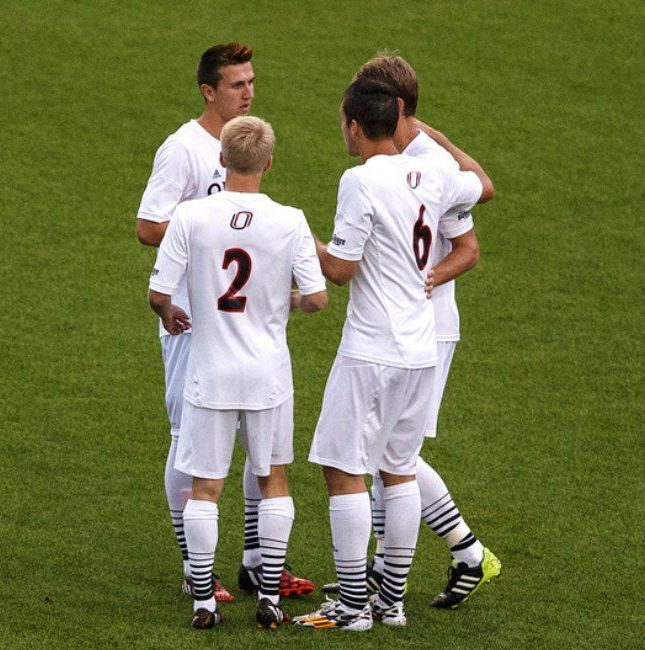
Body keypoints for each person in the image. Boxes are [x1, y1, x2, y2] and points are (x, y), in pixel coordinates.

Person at [293, 77, 492, 632]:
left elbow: (340, 269)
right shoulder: (433, 171)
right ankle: (392, 602)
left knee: (342, 468)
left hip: (373, 347)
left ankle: (353, 606)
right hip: (420, 348)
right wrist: (439, 136)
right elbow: (481, 183)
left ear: (354, 126)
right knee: (398, 467)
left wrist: (297, 236)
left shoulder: (359, 181)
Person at [135, 41, 314, 606]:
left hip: (230, 323)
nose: (250, 93)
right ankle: (195, 568)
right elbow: (147, 225)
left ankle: (260, 564)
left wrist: (221, 234)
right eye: (238, 85)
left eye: (253, 82)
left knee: (254, 445)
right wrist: (211, 239)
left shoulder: (242, 146)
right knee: (189, 446)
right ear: (209, 92)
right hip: (193, 324)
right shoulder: (182, 150)